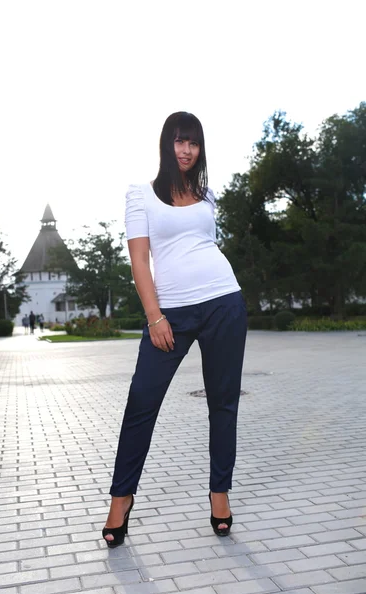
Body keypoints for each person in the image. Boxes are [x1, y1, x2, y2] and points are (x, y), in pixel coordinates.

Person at [102, 112, 247, 548]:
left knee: (223, 404)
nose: (186, 150)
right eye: (179, 141)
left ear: (200, 149)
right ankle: (120, 501)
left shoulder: (207, 195)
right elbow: (140, 260)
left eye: (194, 143)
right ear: (166, 144)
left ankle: (219, 494)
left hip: (223, 301)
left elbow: (204, 245)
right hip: (171, 316)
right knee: (141, 402)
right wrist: (154, 316)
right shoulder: (140, 195)